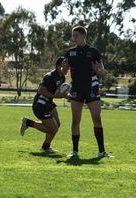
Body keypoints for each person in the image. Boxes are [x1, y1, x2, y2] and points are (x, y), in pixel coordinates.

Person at [64, 26, 112, 158]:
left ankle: (102, 152)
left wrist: (98, 69)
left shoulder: (93, 51)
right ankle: (75, 151)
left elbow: (102, 71)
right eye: (73, 36)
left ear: (83, 36)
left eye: (76, 36)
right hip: (77, 88)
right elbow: (63, 72)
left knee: (97, 118)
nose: (74, 38)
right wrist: (63, 68)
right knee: (75, 120)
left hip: (91, 87)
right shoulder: (70, 52)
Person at [20, 57, 69, 152]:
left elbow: (58, 92)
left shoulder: (62, 77)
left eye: (68, 67)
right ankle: (28, 123)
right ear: (58, 66)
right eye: (65, 66)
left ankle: (45, 147)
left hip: (49, 103)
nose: (68, 69)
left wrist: (67, 96)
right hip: (40, 104)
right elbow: (41, 90)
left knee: (57, 125)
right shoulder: (50, 76)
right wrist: (57, 96)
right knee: (53, 129)